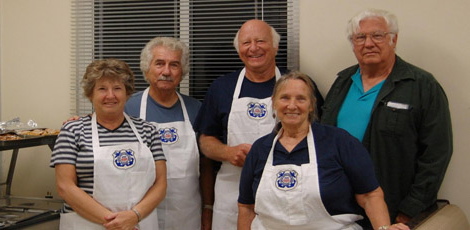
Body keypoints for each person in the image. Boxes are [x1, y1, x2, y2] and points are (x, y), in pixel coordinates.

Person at [321, 9, 453, 226]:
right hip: (338, 209)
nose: (368, 43)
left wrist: (410, 209)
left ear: (394, 39)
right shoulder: (342, 82)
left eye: (377, 35)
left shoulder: (422, 85)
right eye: (360, 37)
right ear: (353, 44)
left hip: (391, 209)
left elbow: (436, 154)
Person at [194, 19, 324, 230]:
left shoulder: (298, 86)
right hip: (232, 192)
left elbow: (318, 136)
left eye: (261, 41)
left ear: (275, 46)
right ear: (239, 51)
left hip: (285, 188)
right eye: (246, 43)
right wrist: (228, 153)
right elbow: (206, 140)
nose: (253, 48)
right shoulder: (221, 87)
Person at [237, 71, 409, 230]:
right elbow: (246, 207)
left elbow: (370, 195)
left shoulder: (340, 142)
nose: (292, 105)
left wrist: (384, 229)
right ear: (274, 102)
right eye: (285, 98)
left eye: (301, 99)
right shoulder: (260, 149)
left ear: (312, 105)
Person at [50, 59, 167, 230]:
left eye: (117, 88)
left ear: (127, 93)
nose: (110, 95)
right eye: (102, 89)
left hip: (138, 223)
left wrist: (134, 216)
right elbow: (65, 187)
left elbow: (161, 183)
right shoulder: (72, 130)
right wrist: (116, 223)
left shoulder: (148, 130)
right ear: (91, 94)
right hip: (86, 224)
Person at [124, 37, 207, 230]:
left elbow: (206, 165)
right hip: (140, 211)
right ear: (147, 68)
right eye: (159, 63)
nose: (166, 71)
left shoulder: (196, 109)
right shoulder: (128, 108)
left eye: (174, 65)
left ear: (182, 71)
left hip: (186, 212)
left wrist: (208, 208)